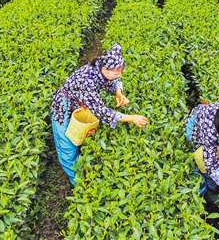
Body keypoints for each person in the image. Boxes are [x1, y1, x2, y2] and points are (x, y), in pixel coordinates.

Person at [51, 44, 148, 186]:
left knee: (78, 135)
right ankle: (77, 183)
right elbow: (101, 111)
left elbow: (112, 82)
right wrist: (131, 118)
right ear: (105, 68)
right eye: (116, 72)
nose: (119, 75)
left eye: (120, 71)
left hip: (79, 104)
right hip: (63, 107)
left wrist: (118, 93)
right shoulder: (87, 81)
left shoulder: (100, 70)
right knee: (67, 145)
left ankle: (81, 163)